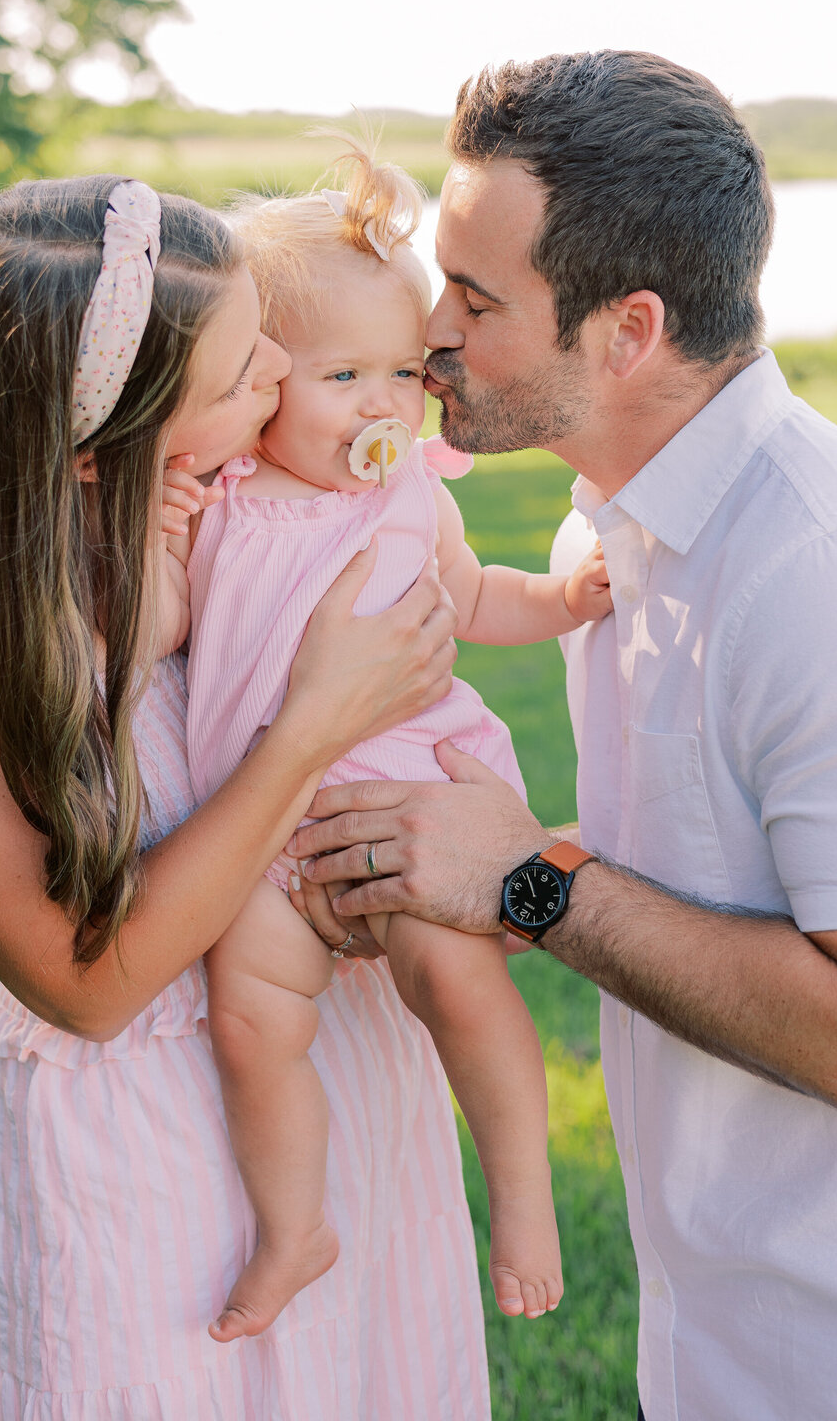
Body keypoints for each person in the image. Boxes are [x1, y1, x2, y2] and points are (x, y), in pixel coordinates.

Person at [0, 173, 492, 1419]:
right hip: (148, 1119)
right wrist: (316, 724)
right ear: (104, 436)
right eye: (235, 374)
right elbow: (85, 984)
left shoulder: (219, 505)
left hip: (331, 1054)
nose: (281, 368)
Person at [293, 53, 837, 1421]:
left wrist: (529, 878)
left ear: (626, 331)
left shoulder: (836, 571)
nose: (428, 326)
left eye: (477, 297)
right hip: (722, 1340)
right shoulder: (604, 539)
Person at [161, 141, 611, 1342]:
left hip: (406, 804)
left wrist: (559, 603)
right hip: (267, 833)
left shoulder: (411, 493)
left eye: (402, 373)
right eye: (341, 374)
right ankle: (294, 1224)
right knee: (252, 1016)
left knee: (451, 981)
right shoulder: (218, 497)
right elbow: (160, 629)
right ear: (260, 385)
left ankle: (522, 1199)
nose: (381, 405)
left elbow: (469, 599)